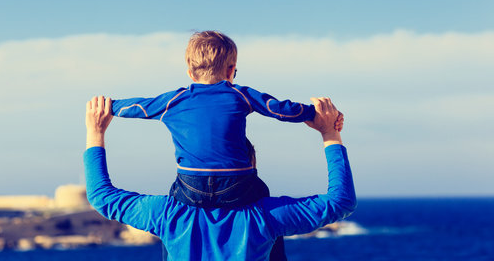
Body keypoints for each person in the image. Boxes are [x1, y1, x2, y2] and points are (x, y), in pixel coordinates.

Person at [110, 31, 343, 259]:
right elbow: (278, 108)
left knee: (173, 207)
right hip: (236, 186)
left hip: (191, 188)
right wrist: (316, 114)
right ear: (232, 70)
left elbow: (138, 107)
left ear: (190, 72)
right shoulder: (240, 94)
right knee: (260, 196)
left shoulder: (173, 100)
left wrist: (108, 106)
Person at [85, 95, 356, 261]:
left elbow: (101, 197)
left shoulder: (169, 215)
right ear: (251, 168)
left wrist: (96, 132)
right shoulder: (264, 217)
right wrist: (329, 134)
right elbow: (340, 201)